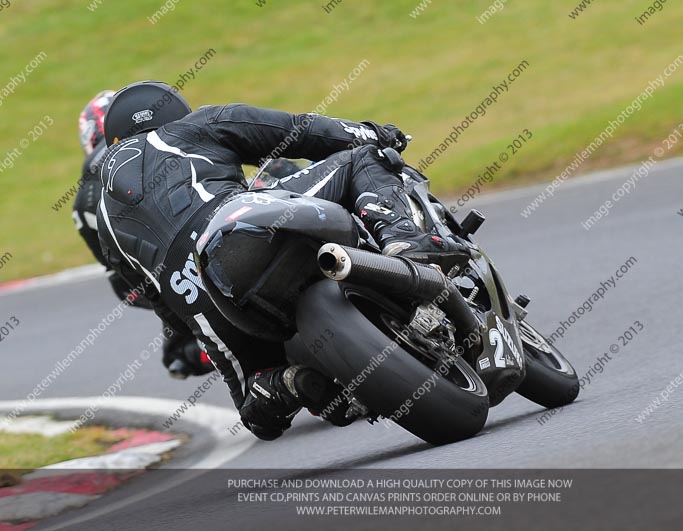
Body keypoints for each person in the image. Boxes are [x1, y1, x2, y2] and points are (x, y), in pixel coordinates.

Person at [96, 80, 468, 440]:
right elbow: (296, 130)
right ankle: (407, 247)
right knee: (361, 160)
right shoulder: (188, 128)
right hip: (234, 220)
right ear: (174, 113)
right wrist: (372, 134)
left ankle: (286, 385)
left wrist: (194, 333)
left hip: (197, 294)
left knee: (256, 409)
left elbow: (159, 302)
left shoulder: (102, 217)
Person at [74, 90, 214, 378]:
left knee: (179, 353)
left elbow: (118, 269)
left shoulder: (83, 198)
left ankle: (194, 341)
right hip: (216, 222)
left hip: (169, 270)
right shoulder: (174, 133)